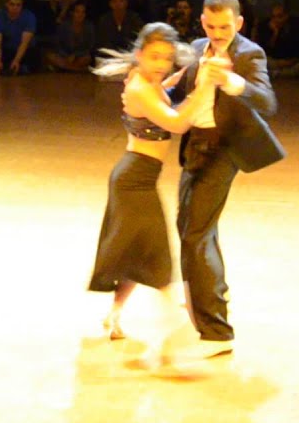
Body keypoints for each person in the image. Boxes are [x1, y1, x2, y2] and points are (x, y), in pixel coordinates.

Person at [157, 0, 285, 360]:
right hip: (195, 146)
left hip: (225, 149)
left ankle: (217, 332)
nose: (217, 33)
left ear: (239, 23)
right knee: (189, 226)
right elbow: (181, 89)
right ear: (202, 22)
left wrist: (233, 83)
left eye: (224, 27)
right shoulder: (197, 47)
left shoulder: (249, 54)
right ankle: (198, 303)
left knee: (197, 232)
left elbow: (268, 101)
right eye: (211, 26)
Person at [88, 22, 212, 366]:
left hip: (138, 178)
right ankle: (180, 334)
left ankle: (113, 315)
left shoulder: (151, 82)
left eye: (166, 58)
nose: (161, 64)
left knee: (134, 251)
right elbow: (176, 123)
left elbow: (167, 88)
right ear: (140, 54)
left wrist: (191, 72)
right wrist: (202, 92)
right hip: (133, 181)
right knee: (158, 254)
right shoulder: (141, 87)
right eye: (154, 56)